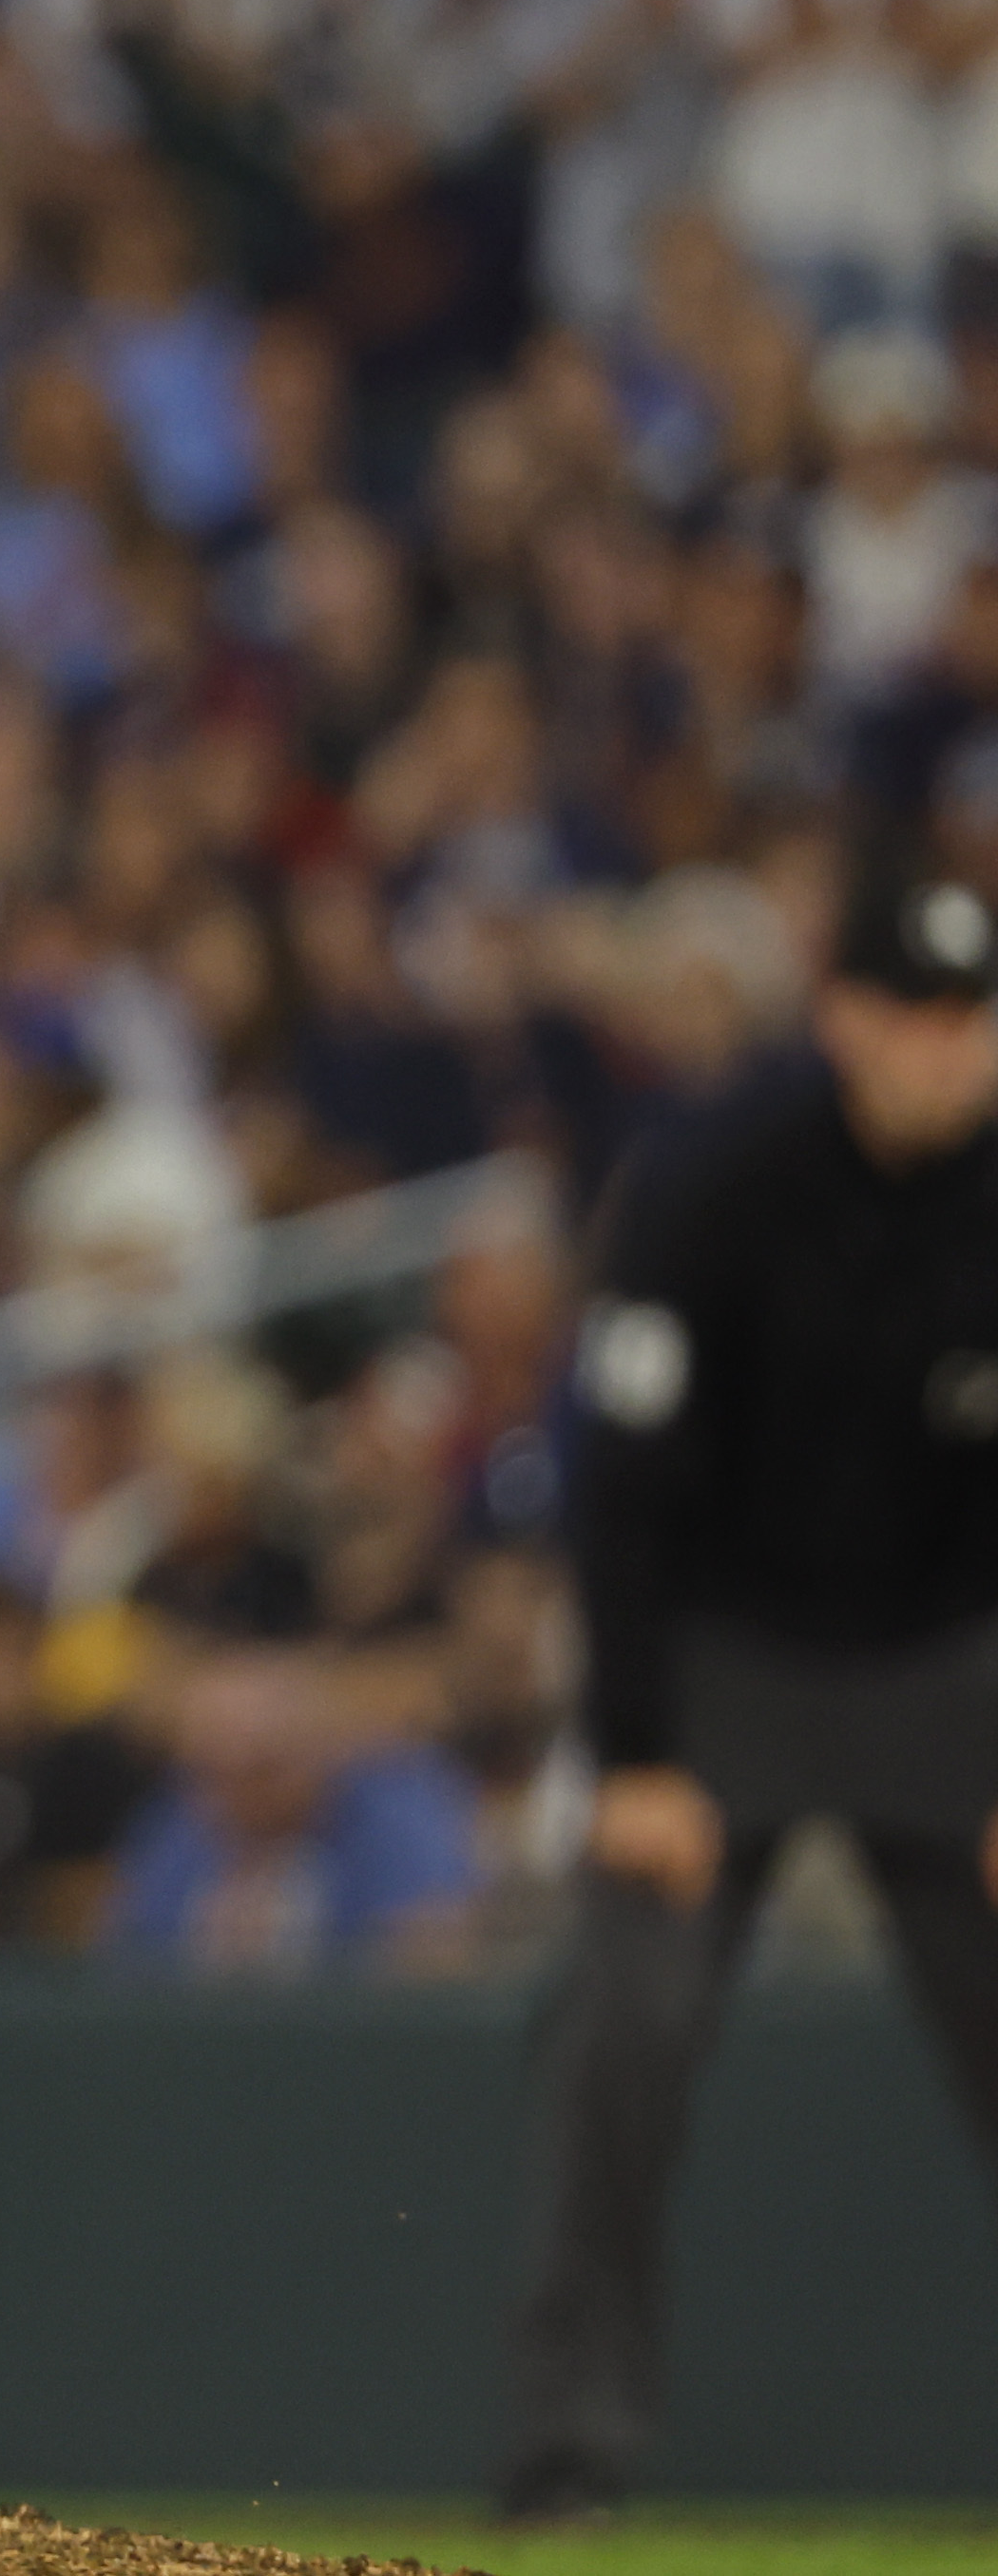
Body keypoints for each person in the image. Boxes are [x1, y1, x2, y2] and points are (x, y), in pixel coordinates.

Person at [498, 858, 998, 2520]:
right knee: (626, 2032)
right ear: (846, 1014)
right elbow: (624, 1491)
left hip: (946, 1668)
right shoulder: (718, 1180)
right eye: (920, 1014)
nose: (952, 1048)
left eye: (975, 1016)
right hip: (718, 1669)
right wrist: (635, 1750)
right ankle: (575, 2447)